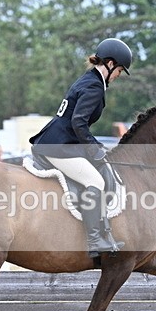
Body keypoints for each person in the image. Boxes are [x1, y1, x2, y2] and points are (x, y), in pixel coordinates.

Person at [29, 38, 132, 257]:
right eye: (120, 71)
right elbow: (78, 122)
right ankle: (94, 240)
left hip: (59, 141)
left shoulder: (88, 79)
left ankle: (103, 233)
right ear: (111, 63)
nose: (118, 76)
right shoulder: (94, 86)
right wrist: (94, 149)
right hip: (58, 146)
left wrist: (95, 146)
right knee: (95, 181)